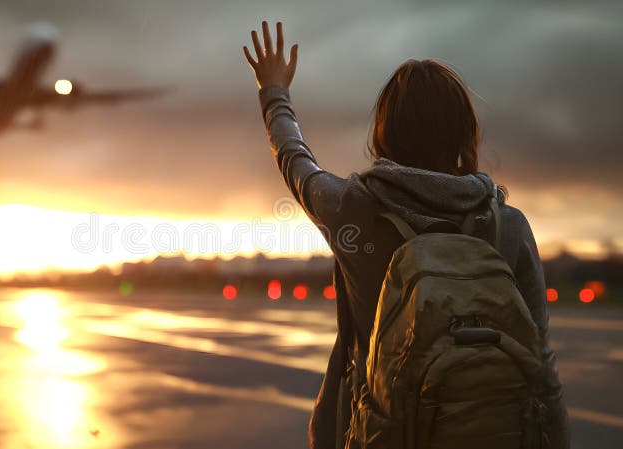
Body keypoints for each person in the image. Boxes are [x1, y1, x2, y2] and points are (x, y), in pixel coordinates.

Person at [243, 21, 569, 449]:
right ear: (463, 131)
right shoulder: (508, 226)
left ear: (384, 131)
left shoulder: (352, 210)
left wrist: (274, 91)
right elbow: (540, 364)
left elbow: (294, 158)